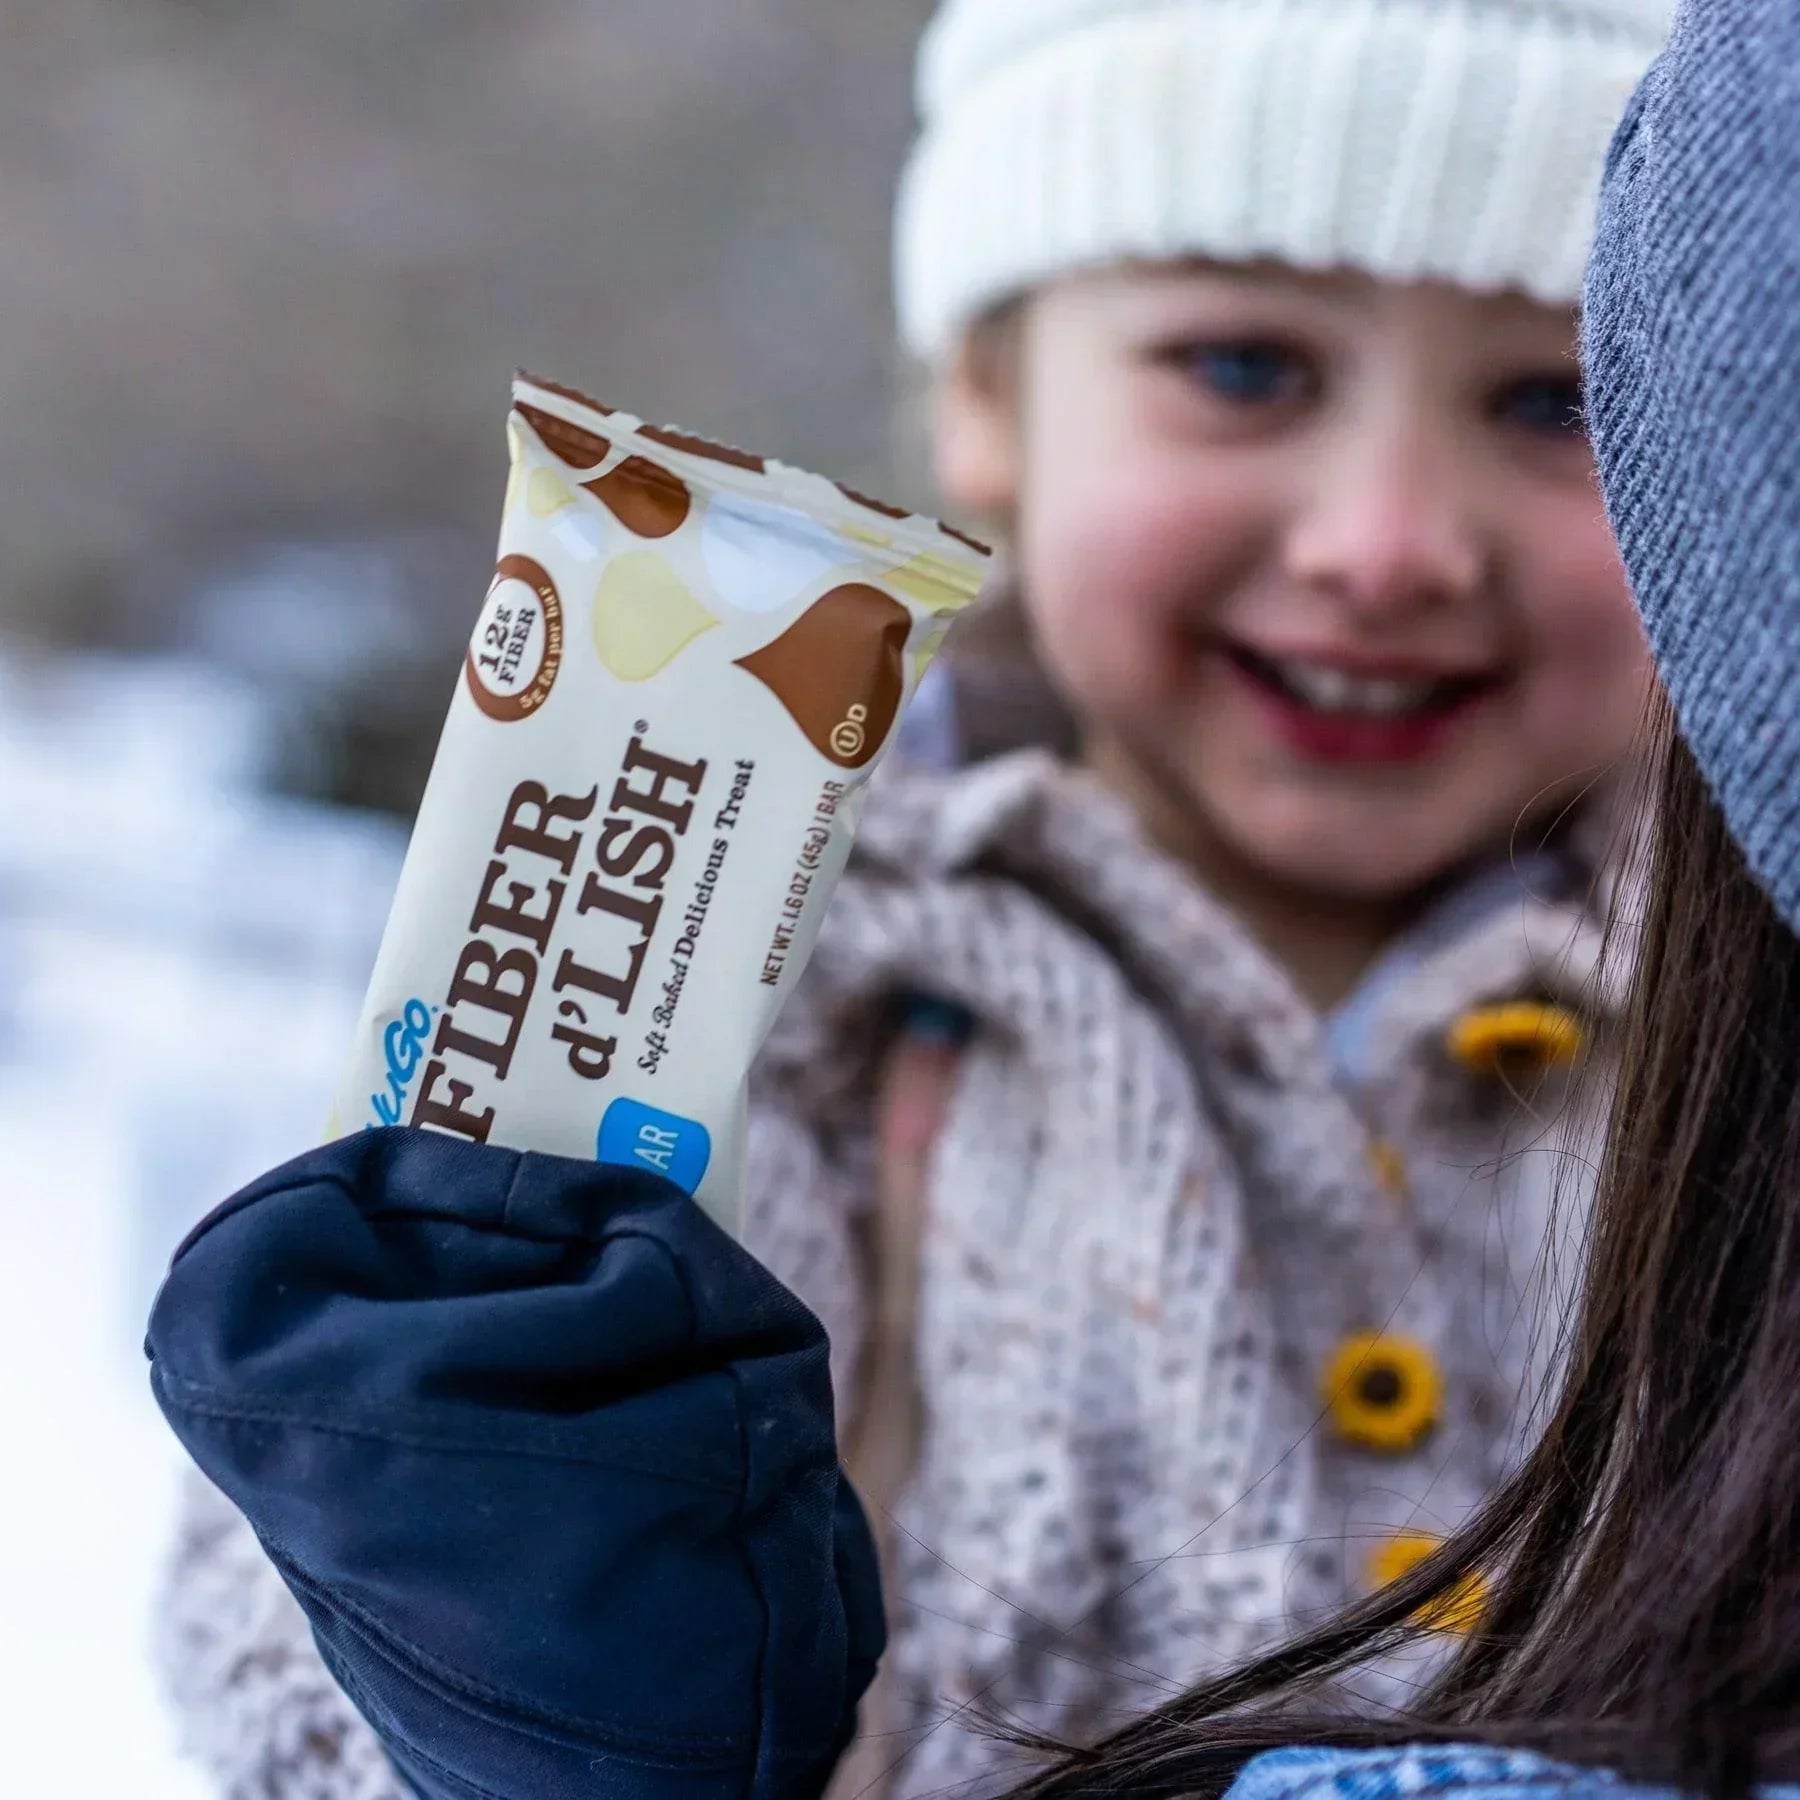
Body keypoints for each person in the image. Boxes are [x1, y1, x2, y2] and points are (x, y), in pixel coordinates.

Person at [153, 0, 1672, 1793]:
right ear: (987, 396)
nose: (1388, 541)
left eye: (1558, 399)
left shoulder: (1745, 1037)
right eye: (1246, 370)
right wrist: (502, 1664)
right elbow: (285, 1701)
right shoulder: (769, 1000)